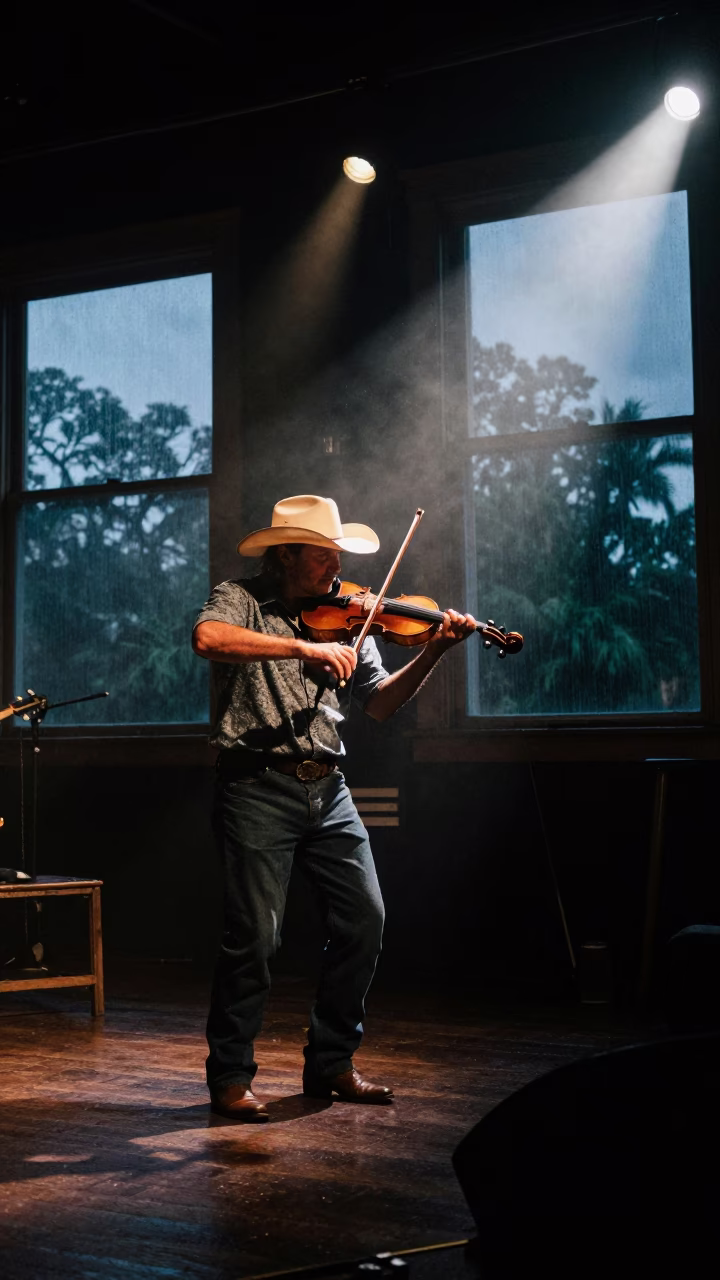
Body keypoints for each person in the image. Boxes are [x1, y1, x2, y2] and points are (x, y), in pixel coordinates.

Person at [193, 494, 476, 1121]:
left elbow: (378, 704)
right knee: (256, 940)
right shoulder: (240, 599)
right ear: (287, 554)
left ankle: (331, 1063)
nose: (335, 567)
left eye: (337, 555)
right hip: (255, 784)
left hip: (329, 788)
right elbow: (207, 639)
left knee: (365, 921)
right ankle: (231, 1076)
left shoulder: (353, 615)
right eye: (324, 554)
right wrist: (304, 650)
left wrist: (433, 650)